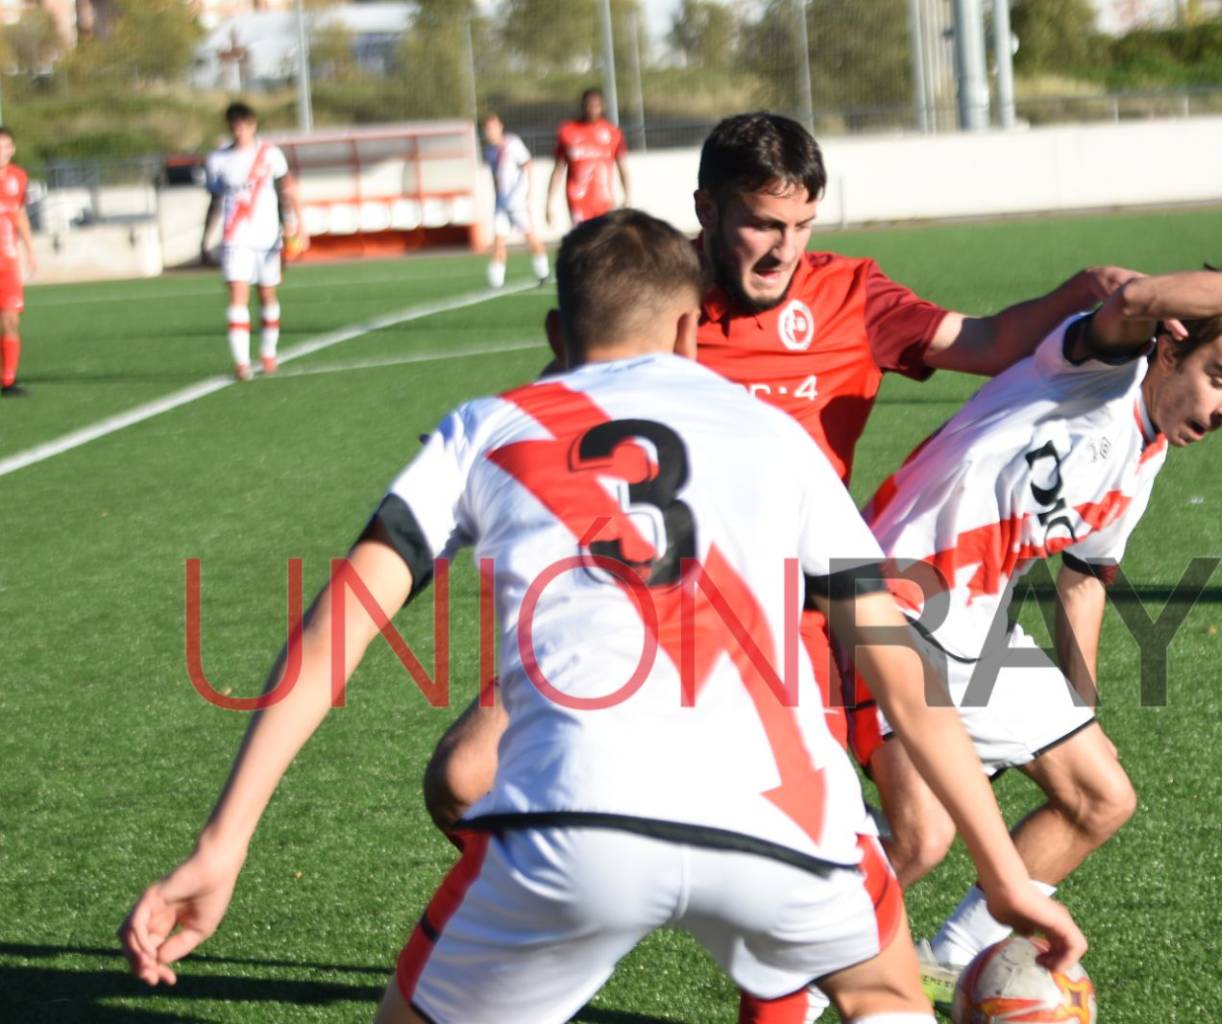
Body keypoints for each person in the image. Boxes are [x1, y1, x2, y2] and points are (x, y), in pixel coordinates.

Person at [118, 209, 1086, 1024]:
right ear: (688, 335)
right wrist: (1001, 872)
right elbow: (901, 676)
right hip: (785, 816)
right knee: (879, 987)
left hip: (572, 813)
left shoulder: (487, 426)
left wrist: (223, 840)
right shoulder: (776, 443)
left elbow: (338, 633)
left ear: (554, 333)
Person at [428, 110, 1135, 1024]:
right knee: (459, 779)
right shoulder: (656, 299)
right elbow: (568, 413)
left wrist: (1080, 292)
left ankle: (767, 970)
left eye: (800, 225)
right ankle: (576, 917)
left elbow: (990, 344)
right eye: (762, 223)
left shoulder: (849, 296)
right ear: (707, 210)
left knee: (902, 834)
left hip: (798, 613)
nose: (782, 250)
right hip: (636, 603)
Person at [849, 267, 1222, 1000]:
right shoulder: (1095, 371)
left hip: (974, 623)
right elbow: (1132, 302)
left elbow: (1085, 575)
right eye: (1220, 380)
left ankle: (952, 952)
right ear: (1169, 350)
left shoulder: (1144, 455)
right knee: (919, 839)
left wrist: (1077, 709)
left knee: (1099, 793)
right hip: (888, 602)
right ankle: (796, 964)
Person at [203, 102, 304, 381]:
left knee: (267, 294)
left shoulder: (270, 154)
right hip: (235, 237)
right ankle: (241, 363)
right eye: (234, 125)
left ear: (253, 124)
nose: (240, 130)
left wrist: (299, 227)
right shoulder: (217, 160)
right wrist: (205, 237)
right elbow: (214, 199)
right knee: (237, 295)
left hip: (268, 236)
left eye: (244, 124)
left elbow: (289, 188)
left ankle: (268, 352)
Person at [481, 113, 549, 288]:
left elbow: (527, 164)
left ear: (500, 127)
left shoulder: (512, 143)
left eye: (493, 127)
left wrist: (527, 191)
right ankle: (496, 283)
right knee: (498, 241)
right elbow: (495, 177)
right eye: (487, 129)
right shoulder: (489, 150)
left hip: (516, 202)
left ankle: (543, 272)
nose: (490, 132)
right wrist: (497, 198)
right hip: (501, 204)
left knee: (529, 237)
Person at [546, 88, 630, 229]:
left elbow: (623, 167)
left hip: (604, 201)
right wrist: (549, 203)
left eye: (596, 105)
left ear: (602, 106)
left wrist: (627, 195)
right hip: (578, 200)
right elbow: (558, 170)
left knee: (606, 244)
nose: (592, 109)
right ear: (583, 106)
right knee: (584, 244)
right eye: (589, 105)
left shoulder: (612, 132)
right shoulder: (568, 131)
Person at [0, 126, 37, 397]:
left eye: (6, 147)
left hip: (9, 262)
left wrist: (31, 250)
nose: (2, 152)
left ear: (12, 149)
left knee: (11, 321)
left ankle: (9, 381)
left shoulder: (19, 178)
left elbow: (20, 213)